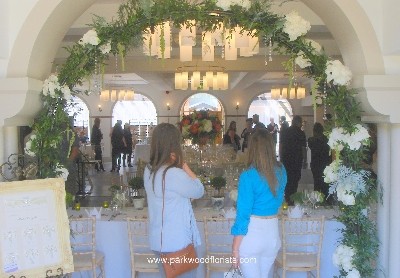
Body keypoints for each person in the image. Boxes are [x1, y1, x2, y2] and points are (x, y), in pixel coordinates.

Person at [144, 123, 204, 277]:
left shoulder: (149, 170)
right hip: (177, 243)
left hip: (158, 240)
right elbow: (199, 190)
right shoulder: (173, 173)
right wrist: (184, 165)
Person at [231, 129, 287, 277]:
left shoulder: (248, 176)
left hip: (253, 235)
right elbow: (280, 200)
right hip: (273, 233)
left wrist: (235, 248)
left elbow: (243, 214)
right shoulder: (281, 171)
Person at [280, 115, 307, 204]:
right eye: (301, 123)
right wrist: (305, 160)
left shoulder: (285, 131)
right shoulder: (301, 133)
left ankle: (287, 196)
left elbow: (281, 145)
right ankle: (292, 196)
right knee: (295, 179)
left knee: (287, 177)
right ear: (298, 122)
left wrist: (280, 158)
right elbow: (303, 148)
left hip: (286, 158)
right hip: (297, 159)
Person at [307, 122, 331, 198]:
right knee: (325, 184)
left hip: (315, 164)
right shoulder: (327, 140)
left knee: (316, 183)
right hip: (325, 164)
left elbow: (311, 146)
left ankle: (317, 200)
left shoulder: (311, 140)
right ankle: (326, 200)